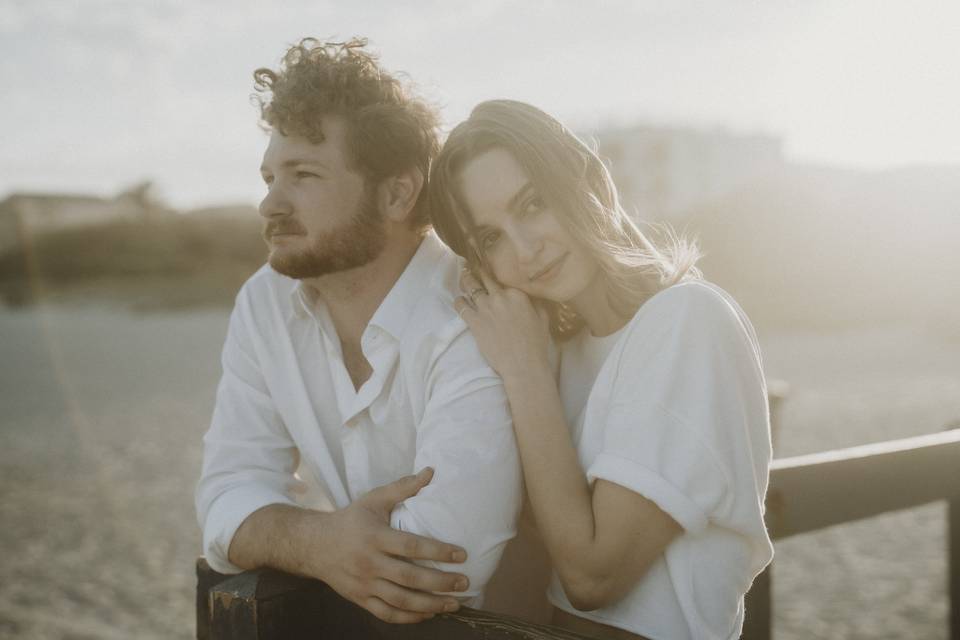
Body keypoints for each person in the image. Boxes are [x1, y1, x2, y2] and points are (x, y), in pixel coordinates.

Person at [195, 40, 522, 624]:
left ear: (397, 193)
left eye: (304, 175)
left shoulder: (475, 308)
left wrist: (297, 536)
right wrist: (319, 544)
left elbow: (449, 563)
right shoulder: (264, 303)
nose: (269, 203)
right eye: (270, 175)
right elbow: (224, 496)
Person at [428, 99, 774, 640]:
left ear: (593, 182)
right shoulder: (560, 353)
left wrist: (523, 371)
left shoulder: (687, 319)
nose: (525, 247)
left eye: (534, 203)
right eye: (490, 238)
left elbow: (593, 576)